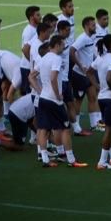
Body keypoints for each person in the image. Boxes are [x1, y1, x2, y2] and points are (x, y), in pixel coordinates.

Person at [35, 35, 87, 169]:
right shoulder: (56, 59)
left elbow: (31, 76)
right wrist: (58, 94)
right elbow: (53, 77)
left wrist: (40, 90)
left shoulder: (44, 58)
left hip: (43, 98)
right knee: (65, 129)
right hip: (53, 100)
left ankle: (45, 159)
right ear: (57, 45)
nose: (64, 47)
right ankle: (71, 159)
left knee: (45, 129)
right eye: (63, 45)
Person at [92, 34, 111, 170]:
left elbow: (88, 71)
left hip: (102, 98)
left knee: (110, 128)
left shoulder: (100, 58)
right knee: (109, 130)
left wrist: (97, 85)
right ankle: (102, 162)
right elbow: (110, 77)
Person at [70, 16, 101, 132]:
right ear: (87, 26)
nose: (95, 27)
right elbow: (71, 51)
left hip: (88, 74)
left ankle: (95, 124)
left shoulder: (91, 37)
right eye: (93, 25)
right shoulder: (82, 38)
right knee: (78, 100)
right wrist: (79, 65)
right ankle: (76, 127)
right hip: (79, 75)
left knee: (92, 97)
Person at [19, 6, 41, 96]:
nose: (41, 17)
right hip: (27, 67)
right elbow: (25, 49)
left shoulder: (36, 29)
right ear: (32, 17)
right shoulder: (29, 31)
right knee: (29, 95)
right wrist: (33, 63)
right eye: (38, 15)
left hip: (31, 67)